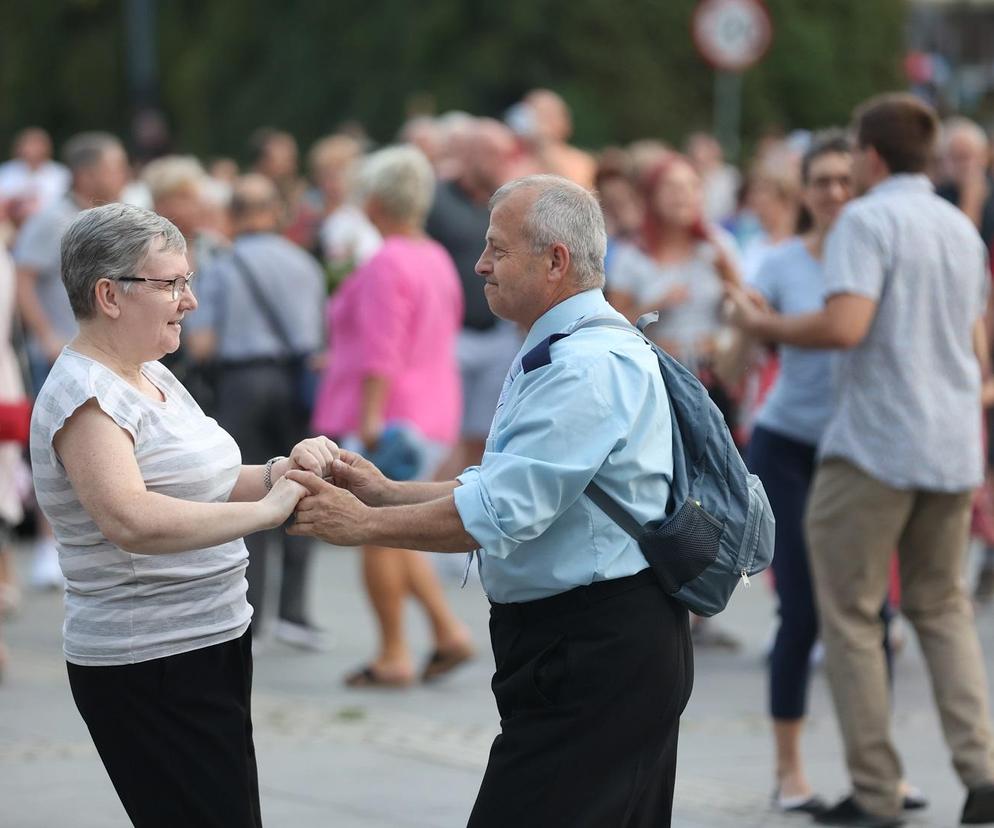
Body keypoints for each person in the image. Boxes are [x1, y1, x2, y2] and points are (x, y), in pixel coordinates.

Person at [288, 174, 693, 826]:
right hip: (585, 642)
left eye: (498, 250)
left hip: (597, 645)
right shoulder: (569, 346)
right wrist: (385, 491)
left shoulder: (585, 363)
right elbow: (508, 486)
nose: (480, 264)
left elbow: (500, 513)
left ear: (555, 260)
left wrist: (363, 524)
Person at [728, 93, 994, 827]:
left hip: (875, 442)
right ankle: (982, 770)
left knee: (848, 615)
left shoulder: (866, 221)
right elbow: (979, 340)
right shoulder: (957, 227)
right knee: (941, 609)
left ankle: (876, 791)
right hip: (951, 442)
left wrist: (765, 323)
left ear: (871, 158)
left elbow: (845, 326)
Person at [29, 202, 337, 827]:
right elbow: (131, 520)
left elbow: (209, 484)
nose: (189, 300)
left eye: (187, 281)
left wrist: (284, 471)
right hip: (149, 662)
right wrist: (270, 511)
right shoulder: (86, 394)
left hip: (210, 641)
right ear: (109, 295)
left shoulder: (151, 375)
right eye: (171, 284)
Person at [311, 145, 472, 686]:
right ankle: (447, 632)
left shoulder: (385, 261)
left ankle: (393, 653)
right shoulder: (435, 255)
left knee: (374, 530)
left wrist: (372, 417)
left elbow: (383, 349)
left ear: (376, 200)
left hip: (392, 412)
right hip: (433, 408)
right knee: (400, 532)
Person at [185, 174, 328, 651]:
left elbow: (202, 341)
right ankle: (296, 612)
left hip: (242, 381)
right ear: (274, 213)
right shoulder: (304, 263)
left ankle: (252, 613)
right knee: (302, 484)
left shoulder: (224, 265)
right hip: (295, 381)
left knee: (248, 488)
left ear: (234, 215)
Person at [14, 131, 129, 589]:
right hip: (62, 352)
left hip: (101, 351)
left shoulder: (107, 218)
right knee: (58, 445)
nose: (123, 176)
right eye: (116, 166)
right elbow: (22, 279)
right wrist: (43, 333)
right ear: (88, 173)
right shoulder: (53, 218)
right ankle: (48, 544)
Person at [426, 118, 523, 477]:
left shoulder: (510, 202)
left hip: (498, 333)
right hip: (450, 334)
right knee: (442, 435)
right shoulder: (434, 199)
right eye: (495, 153)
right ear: (470, 155)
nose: (504, 161)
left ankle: (463, 509)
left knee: (484, 432)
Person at [0, 128, 70, 227]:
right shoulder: (6, 171)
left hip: (49, 224)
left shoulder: (60, 173)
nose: (32, 149)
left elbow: (63, 203)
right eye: (28, 145)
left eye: (37, 145)